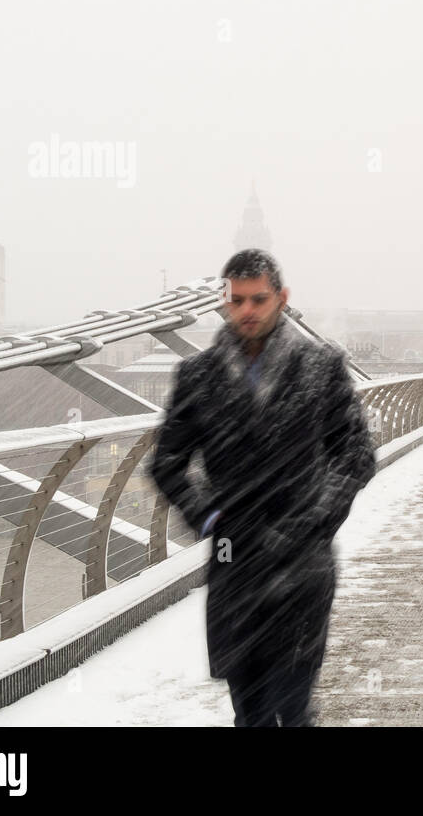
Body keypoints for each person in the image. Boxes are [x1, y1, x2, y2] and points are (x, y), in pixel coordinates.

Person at [149, 248, 376, 726]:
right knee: (249, 713)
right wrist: (207, 515)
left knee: (292, 709)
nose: (247, 310)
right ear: (224, 303)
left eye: (258, 299)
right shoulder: (198, 375)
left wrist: (315, 521)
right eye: (236, 300)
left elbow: (356, 455)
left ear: (282, 298)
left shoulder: (322, 367)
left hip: (302, 563)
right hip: (236, 565)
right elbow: (167, 461)